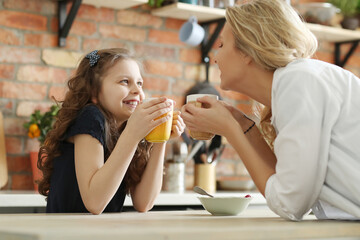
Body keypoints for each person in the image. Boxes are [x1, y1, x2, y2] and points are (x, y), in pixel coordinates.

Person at [181, 0, 360, 221]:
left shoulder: (298, 82)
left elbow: (289, 204)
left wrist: (230, 130)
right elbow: (287, 185)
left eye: (221, 45)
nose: (215, 57)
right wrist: (243, 125)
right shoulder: (295, 84)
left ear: (247, 50)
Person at [38, 48, 185, 214]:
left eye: (139, 83)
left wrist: (160, 138)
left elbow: (144, 203)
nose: (137, 90)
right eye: (124, 81)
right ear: (94, 91)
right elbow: (94, 203)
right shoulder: (91, 117)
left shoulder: (125, 128)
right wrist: (132, 134)